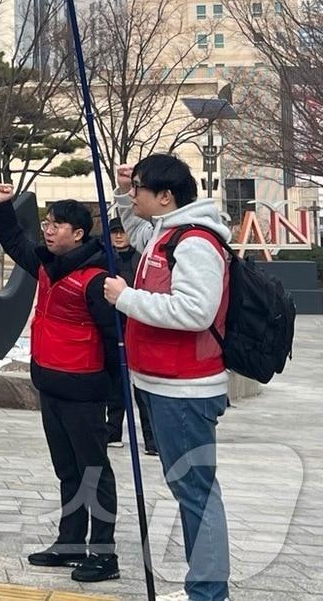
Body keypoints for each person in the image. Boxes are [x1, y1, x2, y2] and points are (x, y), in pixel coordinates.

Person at [104, 156, 232, 601]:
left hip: (185, 389)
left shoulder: (194, 242)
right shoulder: (164, 233)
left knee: (196, 492)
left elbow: (196, 311)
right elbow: (137, 230)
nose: (133, 194)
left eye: (139, 187)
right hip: (162, 384)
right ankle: (205, 587)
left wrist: (127, 299)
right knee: (189, 489)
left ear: (166, 197)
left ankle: (209, 593)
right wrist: (122, 194)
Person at [0, 185, 121, 584]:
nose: (48, 231)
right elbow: (14, 241)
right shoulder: (47, 264)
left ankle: (103, 553)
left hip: (83, 387)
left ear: (78, 233)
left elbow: (115, 342)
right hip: (50, 382)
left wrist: (116, 397)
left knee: (93, 469)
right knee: (67, 469)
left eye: (57, 225)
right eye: (47, 223)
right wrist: (1, 206)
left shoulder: (97, 278)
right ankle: (69, 543)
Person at [104, 218, 156, 454]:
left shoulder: (141, 258)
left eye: (122, 231)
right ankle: (113, 430)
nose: (118, 236)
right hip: (115, 328)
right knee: (116, 385)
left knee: (143, 388)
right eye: (114, 232)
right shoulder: (106, 259)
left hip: (139, 326)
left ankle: (151, 439)